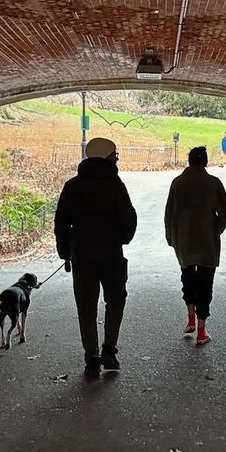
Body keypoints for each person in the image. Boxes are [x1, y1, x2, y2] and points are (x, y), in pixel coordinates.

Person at [54, 137, 137, 376]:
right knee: (116, 299)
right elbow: (128, 218)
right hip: (111, 252)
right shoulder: (115, 184)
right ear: (105, 156)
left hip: (82, 254)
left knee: (86, 305)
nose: (117, 156)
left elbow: (61, 221)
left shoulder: (72, 186)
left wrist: (65, 250)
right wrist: (122, 238)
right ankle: (109, 349)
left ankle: (91, 356)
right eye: (114, 153)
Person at [164, 145, 226, 345]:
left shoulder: (177, 183)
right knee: (205, 282)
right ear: (206, 162)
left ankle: (190, 320)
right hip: (207, 241)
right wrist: (215, 229)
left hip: (183, 239)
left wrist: (171, 236)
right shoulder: (214, 183)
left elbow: (169, 213)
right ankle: (202, 331)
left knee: (187, 277)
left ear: (189, 160)